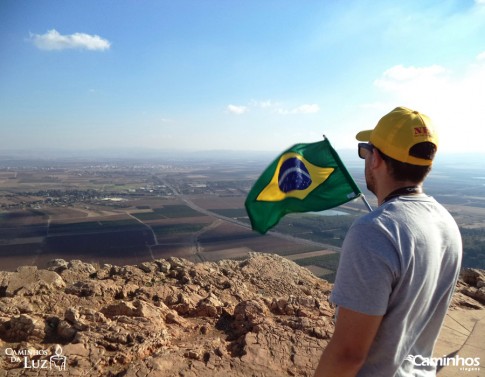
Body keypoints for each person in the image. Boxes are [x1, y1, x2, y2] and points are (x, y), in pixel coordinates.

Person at [313, 106, 462, 377]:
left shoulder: (375, 231)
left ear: (376, 160)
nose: (365, 158)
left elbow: (348, 354)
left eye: (365, 151)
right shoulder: (446, 222)